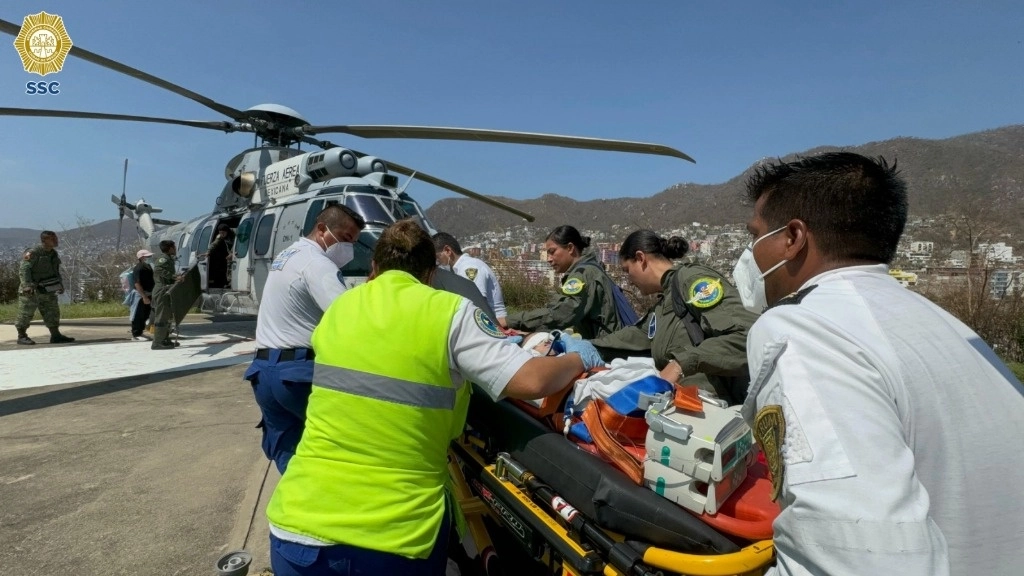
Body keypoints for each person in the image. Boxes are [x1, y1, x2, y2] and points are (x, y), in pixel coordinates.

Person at [265, 218, 604, 576]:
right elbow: (532, 380)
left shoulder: (339, 310)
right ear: (430, 274)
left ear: (374, 268)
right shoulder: (449, 312)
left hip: (296, 531)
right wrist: (579, 357)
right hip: (393, 538)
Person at [740, 152, 1024, 575]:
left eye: (756, 234)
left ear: (793, 238)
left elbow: (852, 559)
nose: (750, 253)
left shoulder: (805, 328)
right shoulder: (934, 321)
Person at [243, 204, 366, 473]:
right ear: (322, 229)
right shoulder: (317, 263)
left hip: (263, 372)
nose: (349, 248)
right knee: (340, 447)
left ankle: (291, 510)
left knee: (288, 453)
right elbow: (346, 318)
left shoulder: (287, 255)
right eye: (346, 239)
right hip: (296, 374)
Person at [590, 230, 758, 405]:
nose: (629, 279)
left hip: (719, 413)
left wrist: (681, 364)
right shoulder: (665, 302)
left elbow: (749, 336)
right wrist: (588, 348)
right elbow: (637, 335)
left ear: (640, 258)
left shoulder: (691, 280)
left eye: (627, 270)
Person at [506, 225, 627, 339]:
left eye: (552, 252)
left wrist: (510, 321)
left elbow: (562, 314)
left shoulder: (581, 274)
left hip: (606, 351)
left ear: (570, 248)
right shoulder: (591, 269)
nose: (549, 259)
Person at [432, 231, 508, 328]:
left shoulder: (469, 268)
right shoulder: (458, 269)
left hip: (494, 325)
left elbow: (476, 305)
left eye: (438, 257)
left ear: (447, 251)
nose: (438, 262)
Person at [14, 230, 75, 345]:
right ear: (44, 240)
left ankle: (55, 335)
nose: (56, 240)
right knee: (25, 313)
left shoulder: (53, 254)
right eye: (52, 238)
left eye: (55, 238)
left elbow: (55, 271)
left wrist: (59, 284)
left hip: (47, 289)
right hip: (32, 290)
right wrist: (27, 286)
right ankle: (21, 336)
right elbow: (24, 269)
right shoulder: (33, 252)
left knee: (52, 312)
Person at [150, 240, 184, 350]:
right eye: (174, 247)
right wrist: (174, 277)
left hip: (167, 291)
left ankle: (165, 339)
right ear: (169, 248)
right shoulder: (163, 259)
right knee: (161, 317)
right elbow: (158, 269)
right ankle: (157, 342)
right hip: (161, 291)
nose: (175, 249)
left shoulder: (168, 259)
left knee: (167, 317)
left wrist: (175, 276)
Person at [130, 249, 155, 340]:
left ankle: (140, 332)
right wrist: (144, 296)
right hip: (141, 295)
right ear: (142, 258)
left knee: (145, 314)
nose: (150, 258)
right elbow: (137, 283)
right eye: (147, 256)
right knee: (138, 314)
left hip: (148, 293)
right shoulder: (139, 268)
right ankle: (135, 334)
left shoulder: (148, 267)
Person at [205, 223, 234, 289]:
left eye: (223, 232)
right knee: (228, 265)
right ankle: (228, 282)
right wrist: (208, 252)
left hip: (236, 251)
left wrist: (232, 253)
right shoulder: (220, 236)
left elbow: (238, 244)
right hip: (229, 253)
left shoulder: (234, 234)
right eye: (220, 233)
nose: (222, 234)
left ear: (227, 231)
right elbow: (214, 244)